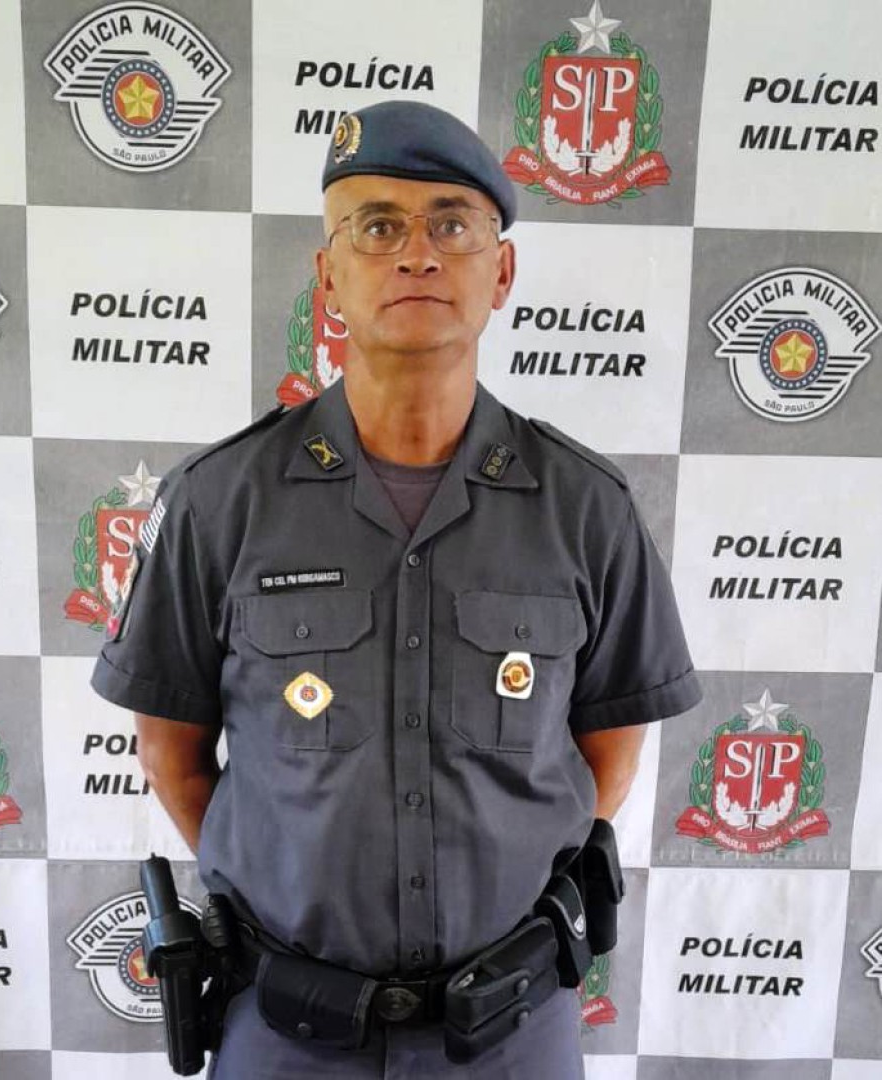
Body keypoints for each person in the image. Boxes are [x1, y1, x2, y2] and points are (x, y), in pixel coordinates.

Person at [91, 99, 702, 1079]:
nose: (416, 253)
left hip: (513, 1036)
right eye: (376, 226)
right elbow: (171, 753)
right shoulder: (219, 503)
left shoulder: (584, 507)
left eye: (451, 225)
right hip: (286, 1034)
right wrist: (291, 899)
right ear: (328, 273)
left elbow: (608, 744)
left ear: (499, 271)